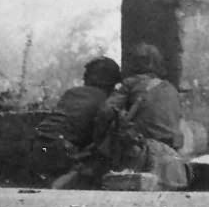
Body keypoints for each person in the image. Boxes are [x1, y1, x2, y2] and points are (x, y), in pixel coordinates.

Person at [96, 42, 190, 189]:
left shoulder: (130, 84)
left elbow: (105, 111)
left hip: (142, 152)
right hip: (172, 155)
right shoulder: (170, 88)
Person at [35, 57, 122, 188]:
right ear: (112, 82)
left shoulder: (72, 93)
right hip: (63, 149)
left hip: (38, 143)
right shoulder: (106, 100)